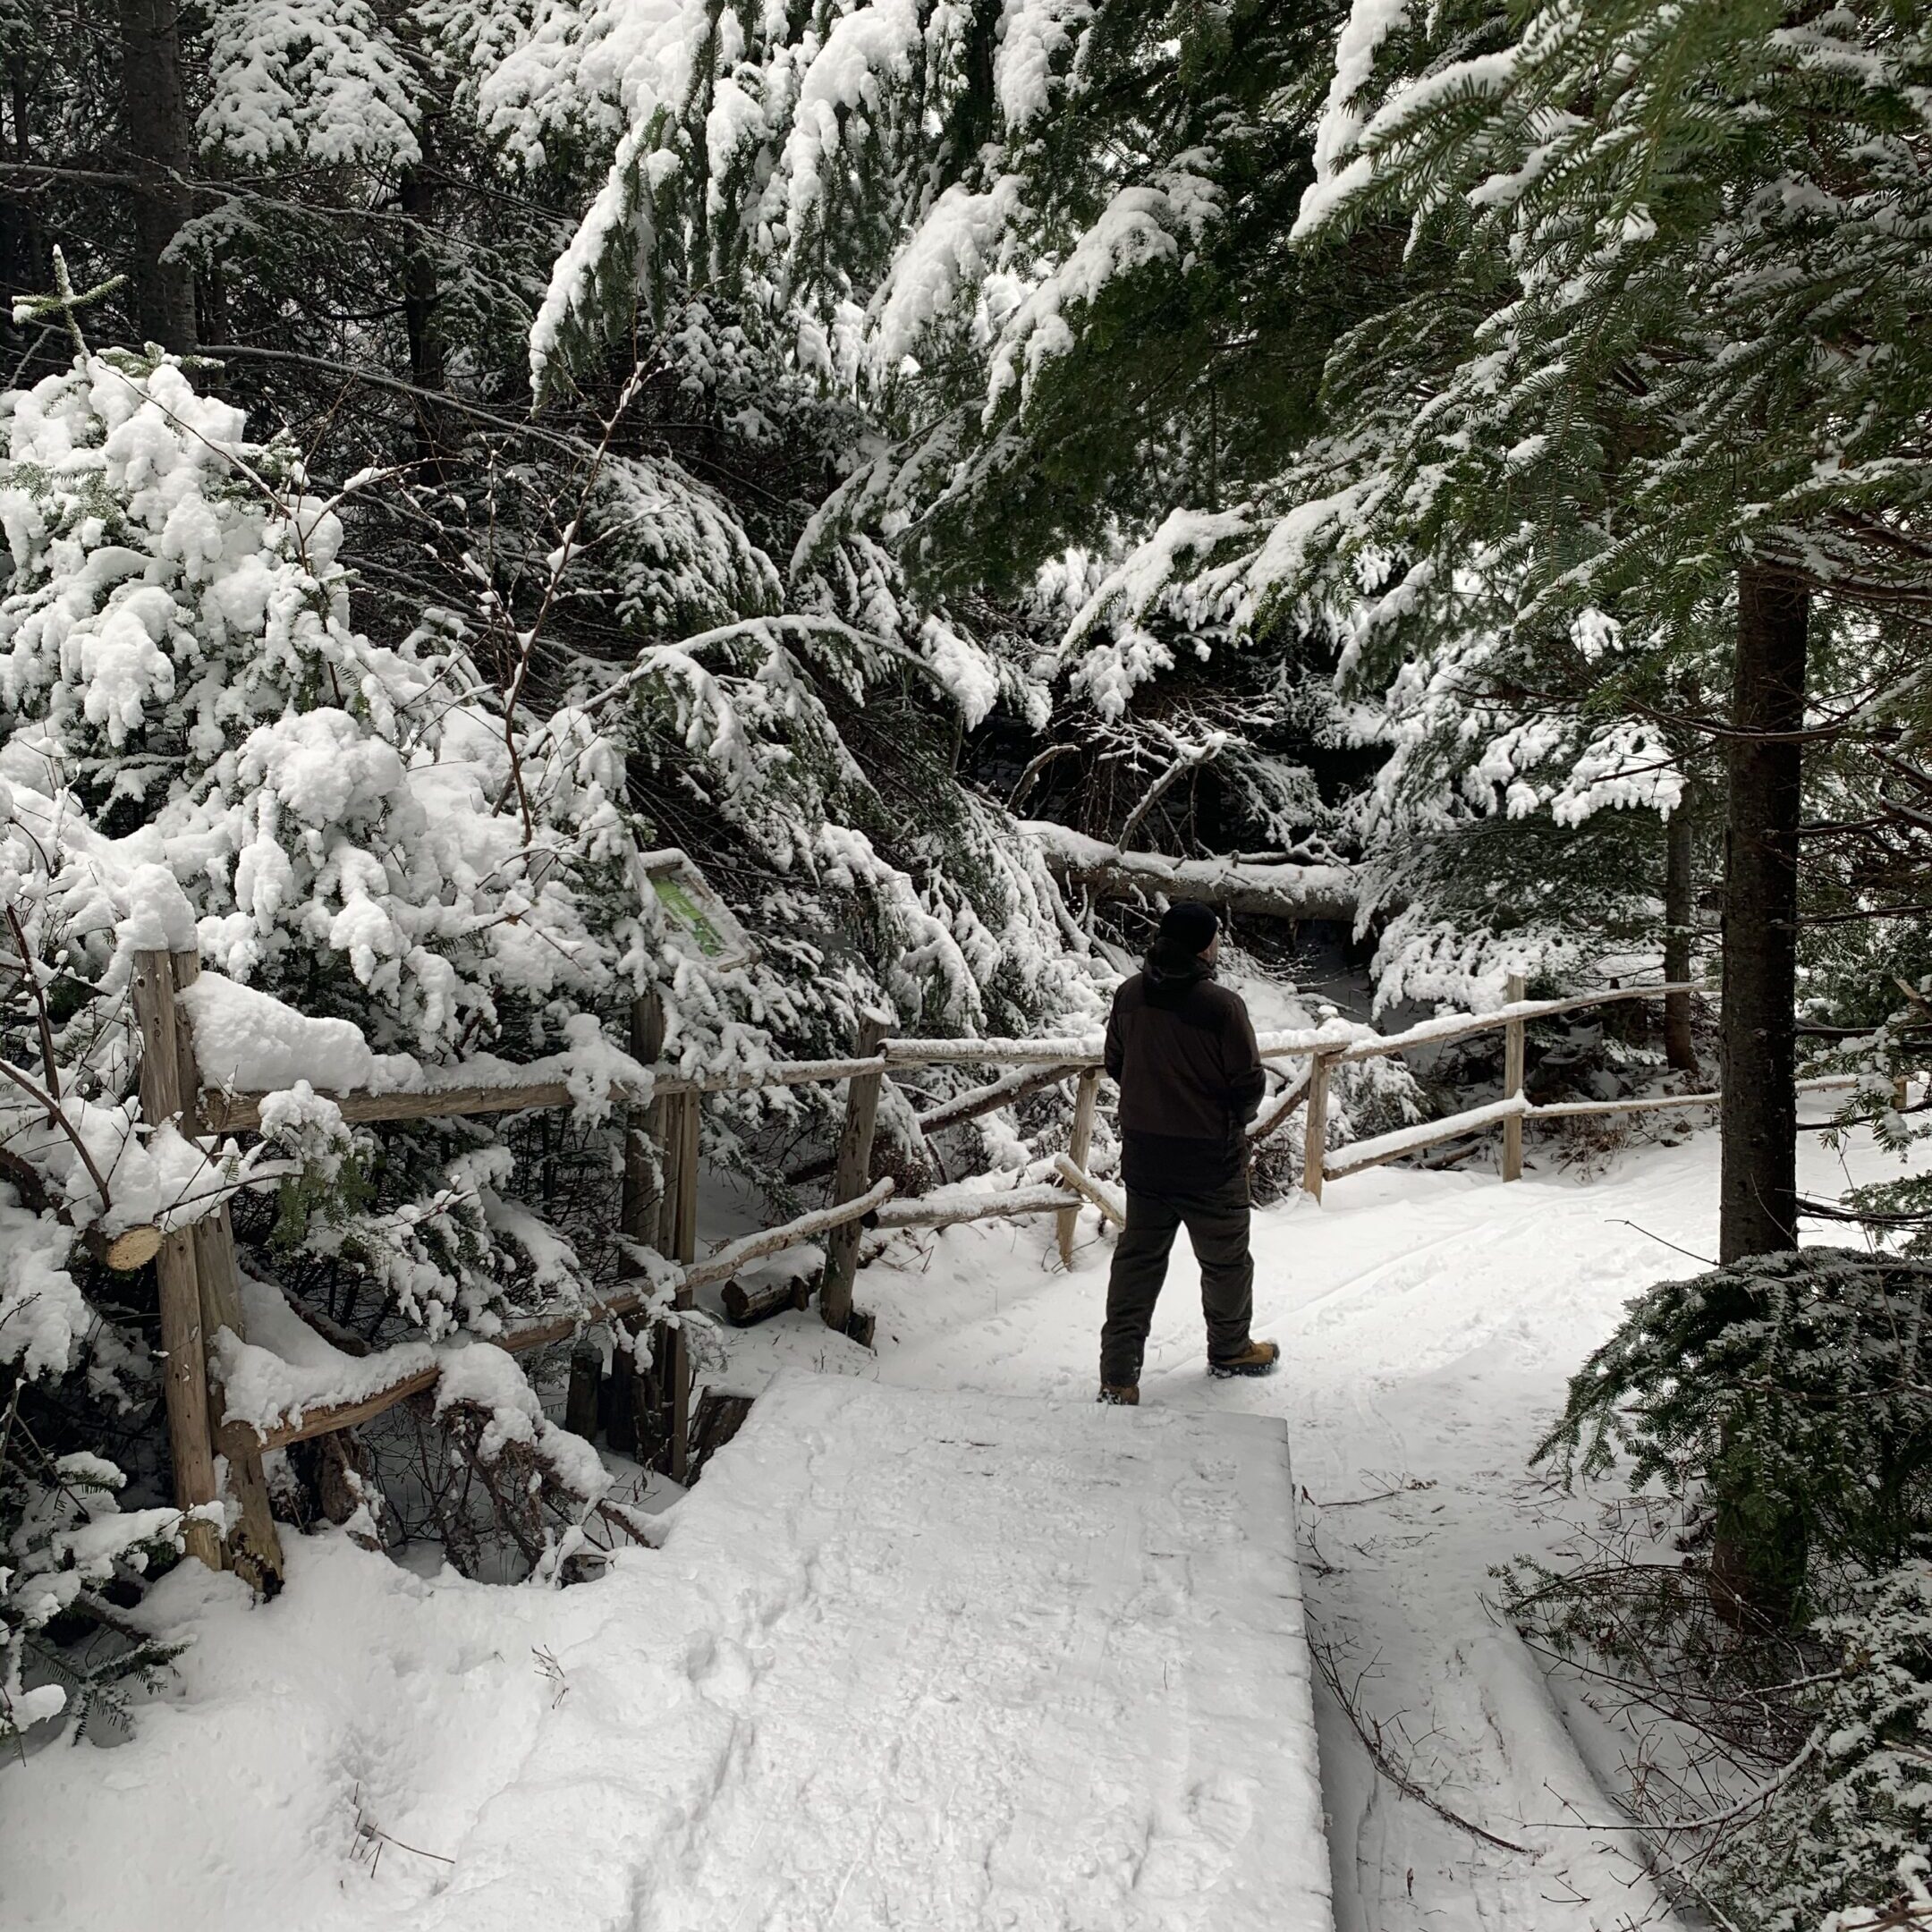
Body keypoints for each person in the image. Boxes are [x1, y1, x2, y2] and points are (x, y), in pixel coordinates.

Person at [1097, 901, 1280, 1404]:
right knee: (1225, 1262)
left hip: (1146, 1155)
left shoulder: (1130, 995)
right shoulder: (1221, 1006)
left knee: (1138, 1263)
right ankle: (1230, 1349)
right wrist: (1225, 1122)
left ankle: (1118, 1375)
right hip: (1209, 1161)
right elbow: (1248, 1083)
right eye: (1216, 938)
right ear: (1204, 946)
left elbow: (1116, 1061)